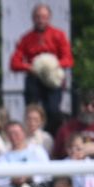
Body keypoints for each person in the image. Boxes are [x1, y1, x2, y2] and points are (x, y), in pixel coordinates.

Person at [9, 3, 73, 133]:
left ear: (49, 18)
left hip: (52, 79)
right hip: (34, 79)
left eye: (44, 17)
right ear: (33, 18)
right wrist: (29, 68)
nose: (41, 20)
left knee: (53, 110)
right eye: (38, 17)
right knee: (32, 111)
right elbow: (14, 63)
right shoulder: (26, 38)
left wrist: (53, 65)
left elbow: (68, 60)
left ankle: (53, 137)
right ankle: (31, 136)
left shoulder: (58, 35)